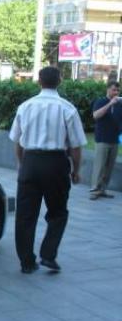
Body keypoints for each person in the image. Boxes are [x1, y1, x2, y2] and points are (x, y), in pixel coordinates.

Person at [9, 66, 87, 274]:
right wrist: (76, 170)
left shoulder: (25, 106)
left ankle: (26, 262)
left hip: (30, 162)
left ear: (39, 82)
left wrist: (21, 164)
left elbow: (17, 141)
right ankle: (48, 255)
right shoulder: (67, 108)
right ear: (60, 81)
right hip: (56, 164)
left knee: (25, 215)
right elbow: (77, 146)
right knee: (58, 212)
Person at [90, 81, 121, 200]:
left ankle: (102, 189)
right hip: (102, 139)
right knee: (99, 166)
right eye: (114, 90)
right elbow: (96, 116)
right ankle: (94, 191)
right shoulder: (101, 101)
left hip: (115, 140)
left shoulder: (119, 104)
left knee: (109, 167)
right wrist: (110, 104)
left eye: (118, 90)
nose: (116, 92)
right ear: (108, 89)